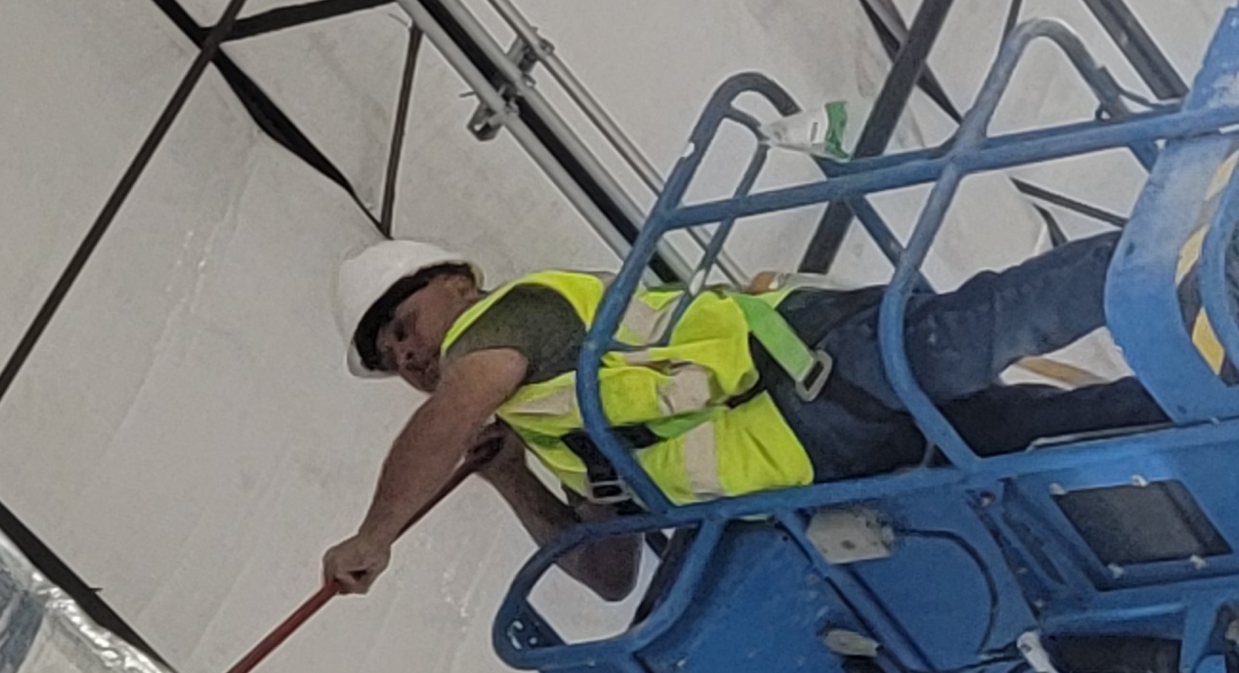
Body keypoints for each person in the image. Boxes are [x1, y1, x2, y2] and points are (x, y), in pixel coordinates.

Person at [321, 233, 1158, 601]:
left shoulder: (506, 322)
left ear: (455, 287)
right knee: (1047, 430)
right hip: (844, 462)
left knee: (1015, 316)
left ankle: (1191, 255)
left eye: (403, 326)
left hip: (827, 371)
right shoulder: (549, 428)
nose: (406, 356)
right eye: (391, 357)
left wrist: (377, 531)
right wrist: (510, 477)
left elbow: (448, 415)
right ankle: (1218, 395)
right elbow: (608, 575)